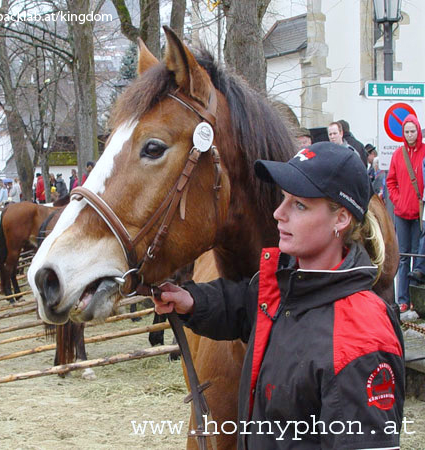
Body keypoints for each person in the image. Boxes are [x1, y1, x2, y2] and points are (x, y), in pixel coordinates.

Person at [153, 142, 404, 448]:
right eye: (284, 199)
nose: (278, 213)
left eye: (299, 205)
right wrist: (191, 302)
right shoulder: (289, 285)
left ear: (341, 219)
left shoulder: (362, 339)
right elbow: (244, 308)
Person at [387, 114, 425, 312]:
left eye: (413, 131)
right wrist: (398, 200)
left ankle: (416, 297)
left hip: (420, 212)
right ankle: (402, 299)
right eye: (407, 131)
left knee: (419, 255)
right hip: (402, 212)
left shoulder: (424, 152)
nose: (410, 135)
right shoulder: (398, 155)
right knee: (403, 257)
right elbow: (390, 181)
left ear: (418, 131)